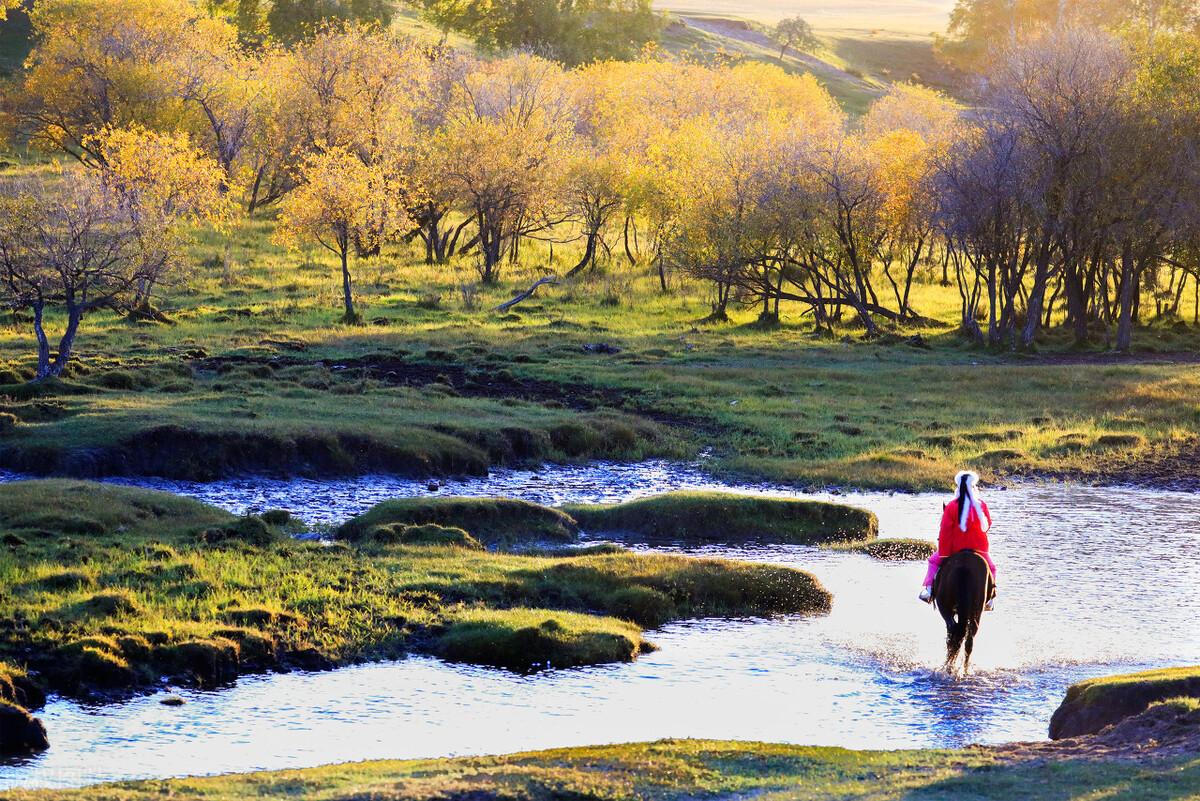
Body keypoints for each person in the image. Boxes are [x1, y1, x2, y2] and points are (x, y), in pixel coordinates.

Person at [918, 470, 997, 610]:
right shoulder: (982, 505)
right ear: (974, 487)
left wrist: (945, 554)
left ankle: (928, 591)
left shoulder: (951, 506)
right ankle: (989, 599)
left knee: (933, 561)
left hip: (955, 548)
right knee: (991, 568)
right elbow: (988, 525)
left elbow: (945, 531)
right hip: (979, 549)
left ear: (958, 487)